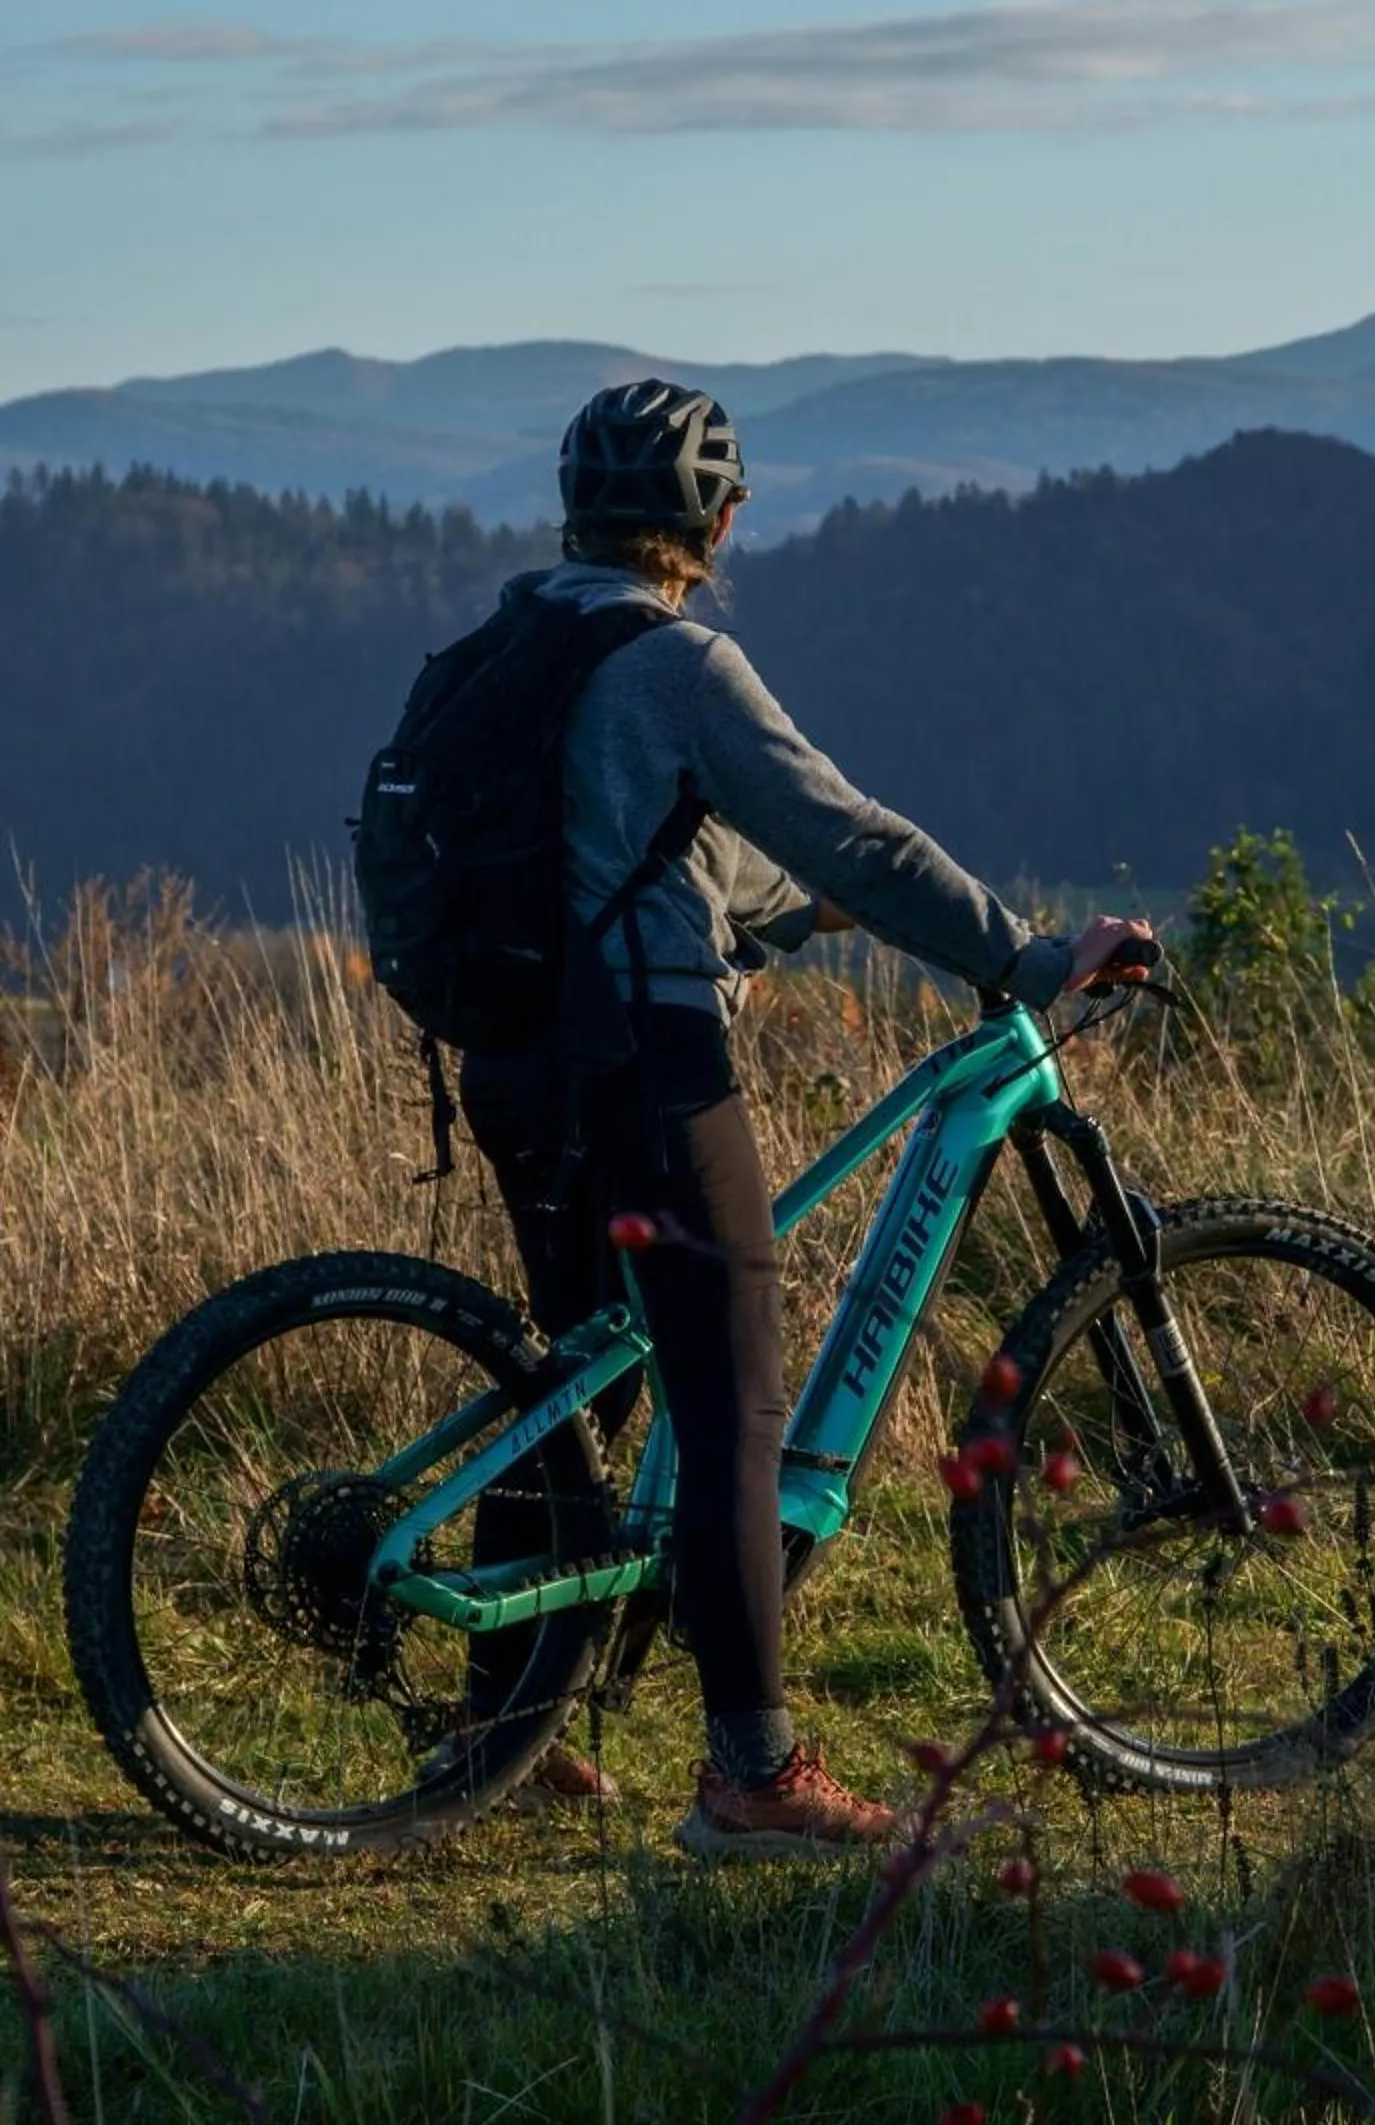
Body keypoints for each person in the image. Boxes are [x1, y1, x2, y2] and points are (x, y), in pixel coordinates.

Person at [457, 378, 1152, 1858]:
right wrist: (1022, 959)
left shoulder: (522, 639)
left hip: (518, 1062)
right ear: (718, 519)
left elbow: (663, 855)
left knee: (575, 1377)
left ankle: (492, 1731)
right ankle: (754, 1777)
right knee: (736, 1407)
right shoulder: (681, 663)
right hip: (649, 1065)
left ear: (576, 511)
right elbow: (856, 832)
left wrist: (800, 911)